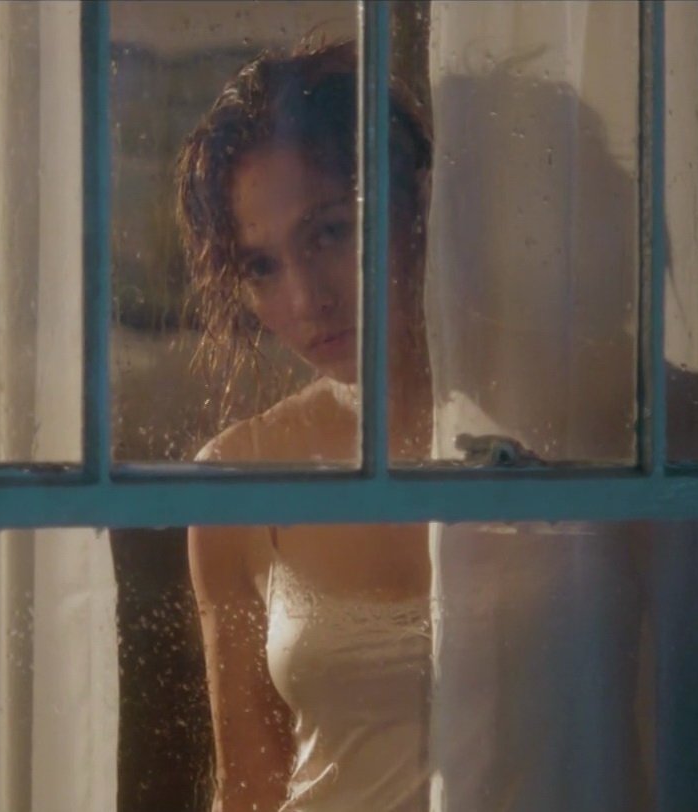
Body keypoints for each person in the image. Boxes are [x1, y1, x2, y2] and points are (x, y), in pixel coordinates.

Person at [177, 39, 436, 812]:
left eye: (329, 232)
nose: (305, 299)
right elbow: (249, 790)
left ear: (415, 203)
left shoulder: (574, 434)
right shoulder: (240, 475)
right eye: (261, 266)